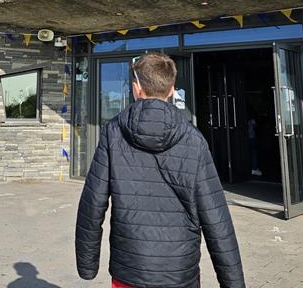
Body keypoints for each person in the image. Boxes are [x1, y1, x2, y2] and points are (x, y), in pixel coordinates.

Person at [75, 53, 246, 288]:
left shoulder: (113, 133)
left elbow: (92, 203)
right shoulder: (193, 139)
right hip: (179, 271)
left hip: (130, 270)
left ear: (136, 89)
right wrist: (233, 283)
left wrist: (87, 265)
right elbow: (216, 216)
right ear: (172, 90)